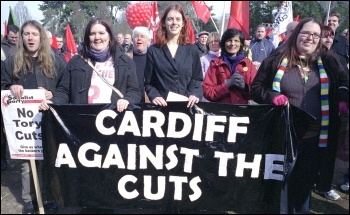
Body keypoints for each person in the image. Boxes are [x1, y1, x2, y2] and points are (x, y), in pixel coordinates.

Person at [250, 18, 349, 214]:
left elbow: (345, 82)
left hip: (315, 139)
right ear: (296, 34)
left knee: (304, 188)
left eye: (315, 35)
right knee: (282, 188)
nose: (310, 38)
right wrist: (273, 96)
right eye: (305, 33)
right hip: (284, 136)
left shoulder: (330, 61)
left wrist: (343, 99)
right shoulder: (276, 59)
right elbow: (256, 88)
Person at [1, 20, 66, 214]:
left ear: (42, 38)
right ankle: (30, 199)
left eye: (34, 34)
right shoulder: (12, 61)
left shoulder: (56, 61)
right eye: (26, 34)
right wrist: (10, 87)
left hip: (48, 118)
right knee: (27, 163)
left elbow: (65, 87)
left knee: (49, 160)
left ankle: (49, 197)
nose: (30, 38)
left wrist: (53, 95)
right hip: (24, 123)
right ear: (21, 37)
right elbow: (2, 85)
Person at [39, 17, 141, 111]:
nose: (97, 37)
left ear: (109, 36)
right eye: (92, 34)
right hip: (84, 121)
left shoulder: (125, 61)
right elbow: (64, 91)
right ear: (88, 38)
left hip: (114, 121)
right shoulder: (75, 62)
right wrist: (53, 102)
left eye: (101, 33)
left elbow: (135, 91)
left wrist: (127, 99)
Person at [144, 3, 203, 108]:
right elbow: (148, 83)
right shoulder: (153, 51)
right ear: (163, 23)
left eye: (178, 19)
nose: (174, 22)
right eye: (170, 19)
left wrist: (194, 94)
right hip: (163, 108)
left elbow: (197, 79)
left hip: (188, 107)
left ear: (183, 23)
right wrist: (155, 96)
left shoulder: (192, 50)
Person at [312, 25, 343, 201]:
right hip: (313, 111)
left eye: (331, 36)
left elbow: (345, 80)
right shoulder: (311, 57)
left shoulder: (335, 58)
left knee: (328, 151)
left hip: (331, 112)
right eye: (324, 36)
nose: (328, 39)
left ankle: (324, 185)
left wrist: (344, 99)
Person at [202, 28, 257, 104]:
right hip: (220, 112)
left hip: (241, 112)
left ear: (241, 44)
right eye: (229, 40)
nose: (232, 44)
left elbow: (256, 92)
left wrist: (245, 88)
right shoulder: (215, 64)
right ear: (224, 43)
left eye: (236, 41)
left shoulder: (248, 64)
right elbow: (207, 92)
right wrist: (226, 85)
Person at [1, 24, 20, 171]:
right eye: (12, 37)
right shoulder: (2, 48)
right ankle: (3, 158)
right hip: (5, 90)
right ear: (7, 35)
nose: (14, 39)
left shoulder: (22, 47)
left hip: (20, 92)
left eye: (16, 37)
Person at [130, 26, 152, 102]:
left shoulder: (154, 57)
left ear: (148, 41)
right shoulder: (125, 58)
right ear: (132, 40)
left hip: (149, 101)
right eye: (136, 36)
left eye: (143, 36)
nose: (139, 39)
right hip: (130, 101)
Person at [325, 11, 349, 76]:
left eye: (334, 21)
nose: (331, 23)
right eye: (329, 20)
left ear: (338, 24)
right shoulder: (317, 40)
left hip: (341, 79)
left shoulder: (343, 41)